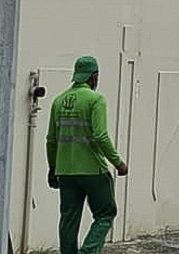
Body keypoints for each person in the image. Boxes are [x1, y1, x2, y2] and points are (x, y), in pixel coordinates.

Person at [46, 55, 128, 254]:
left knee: (68, 218)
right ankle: (88, 251)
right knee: (106, 213)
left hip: (65, 170)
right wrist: (118, 163)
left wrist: (53, 168)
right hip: (93, 169)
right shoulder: (95, 100)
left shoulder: (58, 101)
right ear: (94, 76)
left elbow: (51, 139)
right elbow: (100, 135)